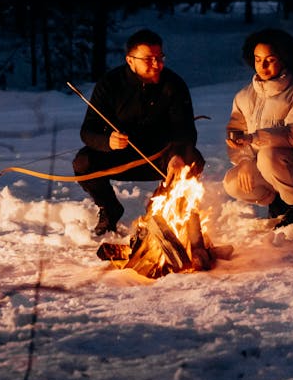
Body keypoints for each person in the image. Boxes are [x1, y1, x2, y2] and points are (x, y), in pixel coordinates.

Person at [73, 29, 205, 236]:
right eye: (148, 59)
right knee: (83, 162)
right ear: (130, 60)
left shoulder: (173, 84)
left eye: (159, 57)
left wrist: (177, 155)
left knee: (192, 161)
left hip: (162, 155)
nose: (157, 64)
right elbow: (88, 131)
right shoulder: (110, 84)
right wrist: (107, 141)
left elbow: (185, 130)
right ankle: (110, 209)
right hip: (120, 154)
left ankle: (161, 210)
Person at [223, 28, 293, 228]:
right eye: (257, 59)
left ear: (284, 58)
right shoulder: (244, 96)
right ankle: (277, 204)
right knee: (232, 181)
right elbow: (236, 132)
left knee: (268, 157)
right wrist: (245, 160)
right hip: (262, 164)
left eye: (270, 60)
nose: (262, 66)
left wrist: (255, 138)